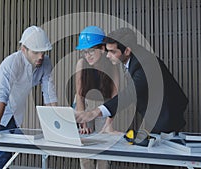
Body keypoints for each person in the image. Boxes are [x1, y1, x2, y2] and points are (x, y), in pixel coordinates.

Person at [76, 27, 188, 136]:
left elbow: (129, 94)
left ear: (127, 51)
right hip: (155, 112)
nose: (108, 55)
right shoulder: (135, 57)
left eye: (112, 52)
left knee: (162, 148)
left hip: (166, 114)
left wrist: (95, 112)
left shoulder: (144, 64)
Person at [0, 26, 58, 169]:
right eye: (36, 52)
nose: (40, 56)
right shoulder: (12, 63)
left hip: (13, 114)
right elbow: (1, 96)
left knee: (4, 159)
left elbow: (49, 94)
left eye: (43, 52)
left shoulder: (45, 63)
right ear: (23, 49)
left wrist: (55, 126)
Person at [75, 26, 119, 169]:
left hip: (105, 106)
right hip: (85, 104)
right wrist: (83, 123)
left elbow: (115, 98)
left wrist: (108, 124)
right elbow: (80, 96)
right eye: (85, 52)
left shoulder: (112, 65)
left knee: (104, 145)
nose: (88, 55)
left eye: (91, 51)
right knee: (84, 146)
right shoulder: (81, 64)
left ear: (102, 48)